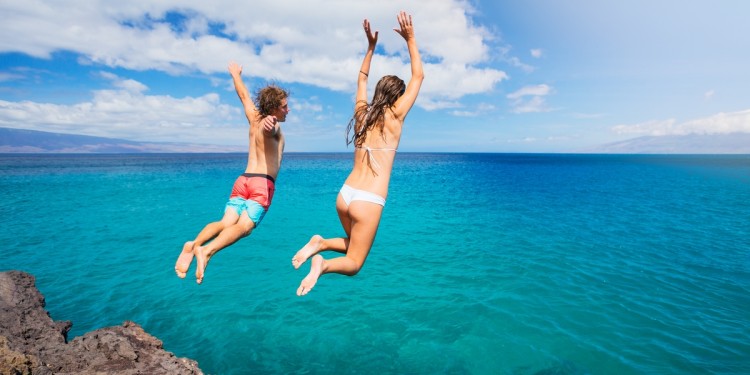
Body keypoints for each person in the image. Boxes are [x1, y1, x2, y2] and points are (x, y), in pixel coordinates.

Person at [291, 11, 424, 296]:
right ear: (397, 97)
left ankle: (321, 242)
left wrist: (371, 48)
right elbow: (419, 75)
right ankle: (322, 264)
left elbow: (361, 78)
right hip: (368, 200)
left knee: (353, 241)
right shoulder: (396, 116)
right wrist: (411, 39)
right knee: (354, 263)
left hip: (346, 194)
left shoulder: (361, 114)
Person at [174, 61, 289, 284]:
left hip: (242, 181)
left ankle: (194, 244)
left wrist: (235, 75)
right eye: (284, 106)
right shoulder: (272, 126)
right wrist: (271, 124)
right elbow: (271, 126)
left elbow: (244, 96)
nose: (287, 109)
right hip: (261, 185)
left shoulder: (253, 118)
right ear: (274, 109)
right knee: (244, 227)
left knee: (225, 222)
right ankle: (207, 251)